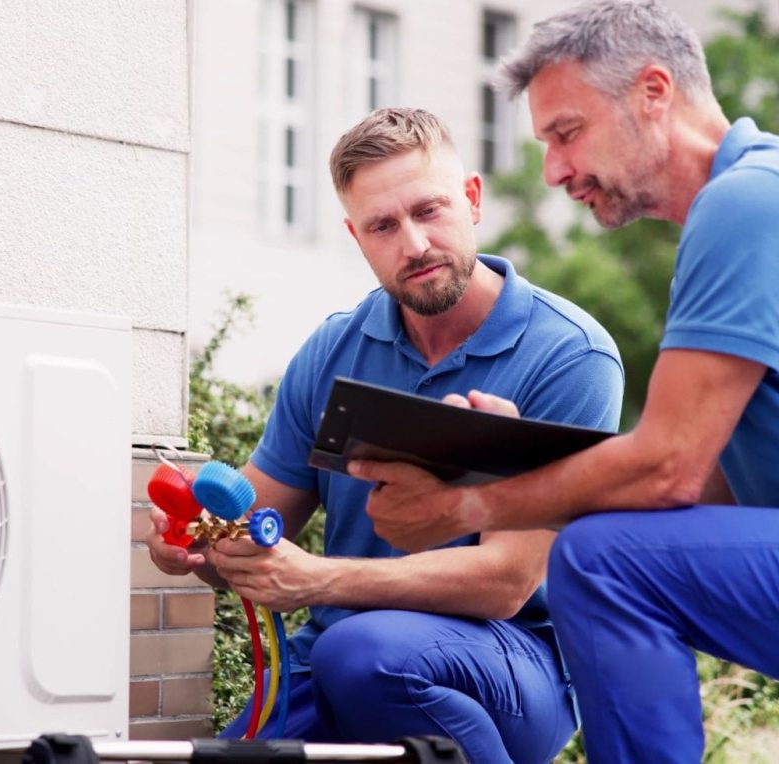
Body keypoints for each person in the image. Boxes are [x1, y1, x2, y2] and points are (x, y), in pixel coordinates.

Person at [353, 2, 779, 762]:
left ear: (654, 92)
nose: (554, 170)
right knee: (615, 543)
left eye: (566, 132)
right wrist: (515, 456)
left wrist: (466, 504)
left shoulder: (745, 203)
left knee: (602, 560)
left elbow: (670, 471)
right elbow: (710, 483)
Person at [148, 107, 624, 764]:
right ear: (356, 235)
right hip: (335, 669)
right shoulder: (332, 350)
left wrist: (317, 580)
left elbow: (506, 580)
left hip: (515, 667)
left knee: (363, 654)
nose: (415, 244)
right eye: (383, 225)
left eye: (429, 211)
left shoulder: (567, 355)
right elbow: (255, 527)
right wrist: (193, 545)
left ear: (473, 199)